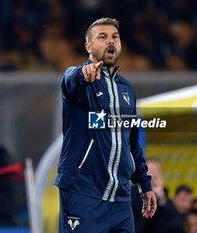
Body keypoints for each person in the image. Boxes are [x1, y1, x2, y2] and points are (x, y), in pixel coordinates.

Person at [54, 18, 157, 233]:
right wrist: (83, 74)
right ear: (88, 47)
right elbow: (69, 79)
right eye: (102, 37)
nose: (110, 41)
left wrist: (145, 185)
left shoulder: (126, 89)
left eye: (115, 37)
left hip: (120, 200)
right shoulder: (79, 80)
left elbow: (132, 143)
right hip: (84, 194)